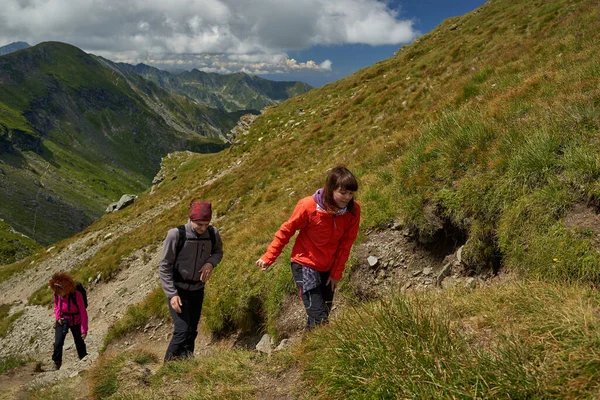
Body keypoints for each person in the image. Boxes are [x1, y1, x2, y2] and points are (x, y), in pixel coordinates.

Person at [256, 166, 361, 329]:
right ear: (331, 188)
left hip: (328, 267)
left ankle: (305, 353)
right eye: (343, 192)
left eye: (351, 193)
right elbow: (286, 231)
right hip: (305, 265)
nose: (347, 197)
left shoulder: (353, 211)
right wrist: (269, 257)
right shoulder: (308, 206)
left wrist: (336, 273)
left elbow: (346, 244)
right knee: (320, 318)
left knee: (321, 315)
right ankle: (318, 352)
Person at [159, 201, 223, 361]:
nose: (203, 228)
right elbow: (165, 266)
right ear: (191, 219)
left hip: (197, 290)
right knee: (182, 330)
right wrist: (172, 294)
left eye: (206, 224)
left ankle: (186, 363)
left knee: (192, 330)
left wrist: (210, 263)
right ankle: (167, 368)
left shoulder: (212, 234)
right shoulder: (176, 235)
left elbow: (218, 252)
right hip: (178, 291)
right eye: (199, 224)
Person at [49, 272, 88, 370]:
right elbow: (56, 306)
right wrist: (58, 318)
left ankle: (84, 359)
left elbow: (83, 312)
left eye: (59, 290)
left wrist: (84, 330)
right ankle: (57, 362)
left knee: (79, 342)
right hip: (62, 320)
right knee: (58, 342)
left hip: (76, 320)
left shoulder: (77, 295)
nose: (58, 293)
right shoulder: (57, 294)